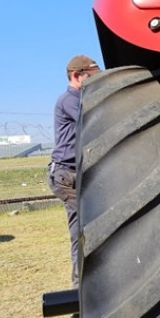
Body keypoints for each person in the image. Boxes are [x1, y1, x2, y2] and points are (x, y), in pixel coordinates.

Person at [48, 54, 100, 287]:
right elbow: (93, 122)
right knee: (81, 233)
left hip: (76, 171)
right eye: (92, 77)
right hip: (67, 174)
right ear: (77, 76)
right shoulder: (70, 100)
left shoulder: (79, 98)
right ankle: (80, 295)